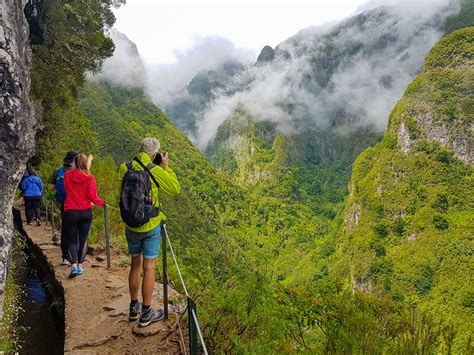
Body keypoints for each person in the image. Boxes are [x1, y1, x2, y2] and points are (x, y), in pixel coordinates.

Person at [118, 137, 180, 327]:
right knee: (149, 267)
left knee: (135, 265)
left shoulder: (125, 167)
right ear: (155, 154)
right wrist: (166, 167)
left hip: (131, 225)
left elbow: (119, 195)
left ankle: (133, 307)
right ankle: (146, 313)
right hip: (151, 224)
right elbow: (175, 189)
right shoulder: (156, 170)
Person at [63, 154, 105, 278]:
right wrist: (102, 203)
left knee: (71, 240)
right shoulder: (90, 178)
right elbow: (93, 196)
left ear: (74, 163)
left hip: (70, 211)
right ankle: (81, 266)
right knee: (83, 239)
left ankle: (74, 266)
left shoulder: (67, 175)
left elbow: (66, 188)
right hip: (85, 212)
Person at [50, 150, 79, 265]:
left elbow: (51, 187)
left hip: (64, 205)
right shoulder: (77, 171)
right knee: (77, 231)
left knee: (66, 230)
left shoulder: (58, 171)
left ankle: (65, 257)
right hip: (77, 204)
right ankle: (76, 257)